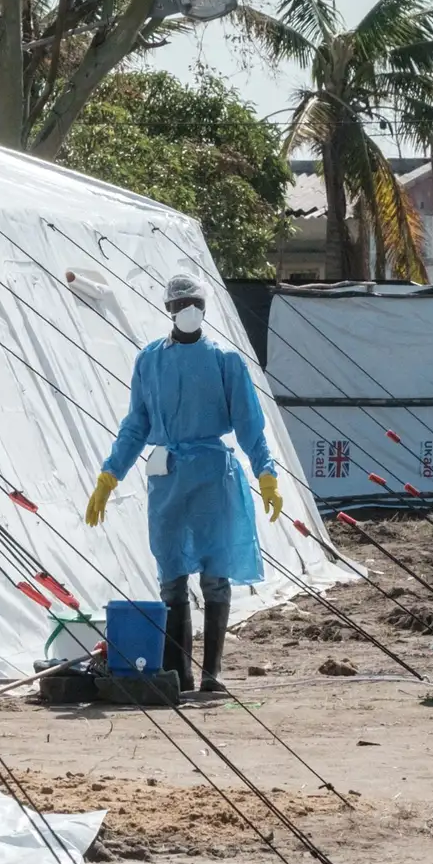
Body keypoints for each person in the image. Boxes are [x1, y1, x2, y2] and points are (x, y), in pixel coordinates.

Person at [84, 274, 285, 692]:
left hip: (212, 475)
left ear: (205, 307)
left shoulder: (226, 361)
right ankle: (180, 673)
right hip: (168, 474)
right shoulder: (150, 361)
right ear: (168, 309)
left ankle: (212, 673)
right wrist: (109, 475)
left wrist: (266, 473)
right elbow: (135, 425)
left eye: (194, 302)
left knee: (215, 572)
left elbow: (250, 425)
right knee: (171, 574)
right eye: (180, 303)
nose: (187, 310)